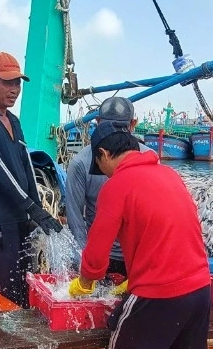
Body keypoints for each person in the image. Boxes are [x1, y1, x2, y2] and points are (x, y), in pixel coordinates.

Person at [68, 121, 211, 349]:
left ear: (104, 154)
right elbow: (169, 234)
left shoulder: (117, 185)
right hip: (199, 290)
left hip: (157, 296)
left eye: (100, 166)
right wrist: (133, 276)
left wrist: (85, 282)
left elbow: (96, 252)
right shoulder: (169, 174)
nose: (103, 174)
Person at [0, 52, 62, 307]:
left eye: (17, 83)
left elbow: (26, 165)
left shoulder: (14, 121)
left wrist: (37, 211)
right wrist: (32, 208)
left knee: (25, 290)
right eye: (7, 83)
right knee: (5, 296)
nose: (15, 89)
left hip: (21, 219)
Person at [64, 96, 150, 276]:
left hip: (137, 257)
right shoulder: (80, 164)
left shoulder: (149, 159)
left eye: (120, 128)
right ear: (97, 122)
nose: (114, 134)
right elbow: (75, 220)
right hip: (100, 256)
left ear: (132, 125)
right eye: (108, 127)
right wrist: (86, 263)